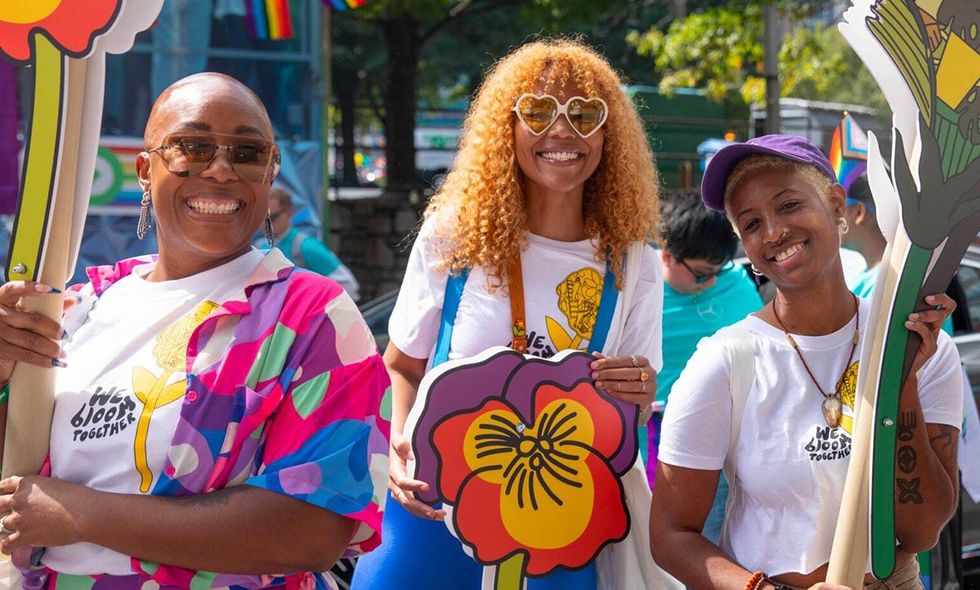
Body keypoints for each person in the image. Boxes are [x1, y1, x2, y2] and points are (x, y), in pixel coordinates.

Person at [0, 73, 390, 589]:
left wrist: (83, 513)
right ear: (145, 169)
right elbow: (16, 485)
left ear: (270, 174)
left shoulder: (311, 316)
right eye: (193, 146)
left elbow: (313, 530)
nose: (222, 169)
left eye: (247, 153)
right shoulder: (79, 307)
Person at [352, 39, 668, 589]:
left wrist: (639, 390)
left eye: (585, 114)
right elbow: (401, 364)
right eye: (539, 112)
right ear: (509, 128)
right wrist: (399, 442)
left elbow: (635, 402)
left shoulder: (633, 257)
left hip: (561, 521)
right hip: (436, 501)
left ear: (608, 134)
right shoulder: (456, 234)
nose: (562, 132)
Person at [650, 135, 963, 590]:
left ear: (836, 204)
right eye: (751, 223)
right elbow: (670, 535)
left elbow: (922, 529)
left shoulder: (913, 343)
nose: (774, 232)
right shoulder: (724, 363)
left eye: (790, 204)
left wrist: (900, 380)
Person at [646, 193, 762, 543]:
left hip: (725, 429)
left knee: (708, 536)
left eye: (718, 271)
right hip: (654, 434)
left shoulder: (735, 283)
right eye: (701, 275)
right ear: (667, 255)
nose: (711, 282)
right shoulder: (638, 284)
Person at [265, 186, 361, 301]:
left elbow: (349, 286)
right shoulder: (262, 247)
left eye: (272, 217)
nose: (265, 223)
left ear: (288, 213)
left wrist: (316, 313)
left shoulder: (307, 247)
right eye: (262, 216)